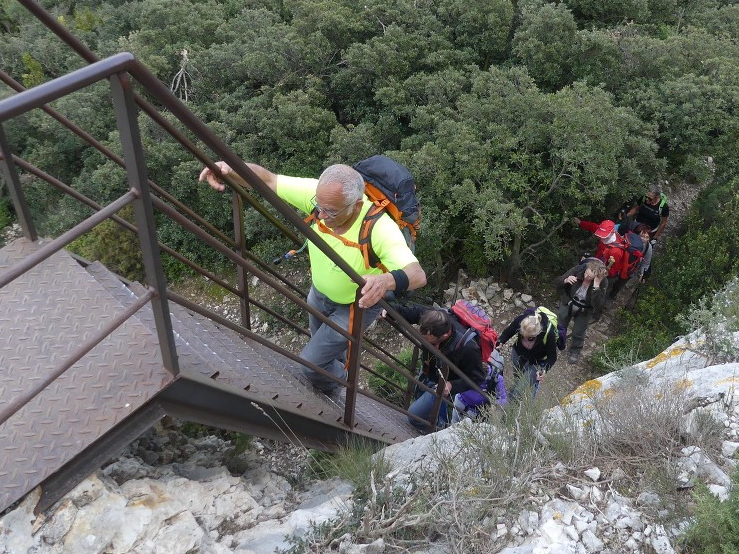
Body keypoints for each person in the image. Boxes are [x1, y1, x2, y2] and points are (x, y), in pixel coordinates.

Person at [199, 160, 427, 397]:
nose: (321, 214)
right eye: (319, 206)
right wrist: (228, 167)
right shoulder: (323, 199)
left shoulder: (379, 228)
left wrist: (385, 281)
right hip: (318, 294)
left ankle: (339, 385)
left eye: (331, 211)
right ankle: (335, 372)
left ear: (357, 205)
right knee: (326, 350)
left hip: (355, 307)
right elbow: (269, 179)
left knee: (312, 364)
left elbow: (417, 275)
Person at [390, 306, 486, 433]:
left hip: (444, 384)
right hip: (429, 371)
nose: (425, 341)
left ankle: (440, 430)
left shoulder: (468, 348)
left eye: (430, 341)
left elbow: (477, 377)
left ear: (445, 335)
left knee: (414, 416)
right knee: (420, 395)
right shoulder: (433, 318)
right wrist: (390, 311)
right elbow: (412, 311)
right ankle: (440, 419)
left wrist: (452, 385)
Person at [555, 258, 609, 364]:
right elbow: (557, 283)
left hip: (585, 309)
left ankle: (575, 351)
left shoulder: (603, 282)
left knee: (578, 332)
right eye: (586, 273)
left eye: (590, 277)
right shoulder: (577, 270)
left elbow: (598, 304)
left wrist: (596, 286)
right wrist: (565, 280)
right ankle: (558, 343)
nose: (586, 277)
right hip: (568, 301)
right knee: (560, 326)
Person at [497, 310, 558, 399]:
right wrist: (501, 341)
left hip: (536, 362)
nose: (525, 338)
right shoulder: (522, 321)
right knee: (517, 377)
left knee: (518, 391)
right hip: (518, 354)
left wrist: (544, 369)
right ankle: (515, 388)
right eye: (522, 334)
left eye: (530, 338)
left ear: (538, 333)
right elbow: (509, 331)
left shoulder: (549, 334)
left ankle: (512, 404)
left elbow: (552, 357)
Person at [450, 349, 508, 424]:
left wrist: (494, 403)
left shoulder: (496, 379)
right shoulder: (466, 368)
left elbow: (503, 399)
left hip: (479, 411)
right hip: (460, 402)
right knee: (453, 426)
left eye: (478, 380)